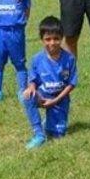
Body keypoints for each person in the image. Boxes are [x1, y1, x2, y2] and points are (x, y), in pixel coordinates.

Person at [22, 16, 78, 150]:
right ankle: (38, 133)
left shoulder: (69, 59)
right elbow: (33, 80)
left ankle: (50, 122)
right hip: (42, 96)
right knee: (25, 95)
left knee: (57, 134)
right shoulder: (37, 59)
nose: (52, 43)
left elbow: (71, 84)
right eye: (48, 39)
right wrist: (31, 88)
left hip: (60, 99)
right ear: (42, 39)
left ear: (62, 38)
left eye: (56, 39)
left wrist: (56, 100)